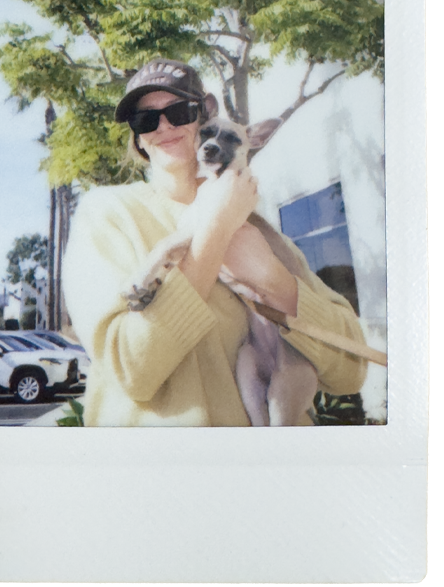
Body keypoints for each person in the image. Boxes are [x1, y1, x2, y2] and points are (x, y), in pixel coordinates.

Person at [63, 58, 367, 427]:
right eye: (146, 120)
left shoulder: (258, 228)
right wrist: (217, 230)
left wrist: (274, 280)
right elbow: (132, 370)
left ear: (202, 117)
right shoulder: (106, 213)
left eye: (179, 112)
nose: (164, 126)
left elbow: (353, 369)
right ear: (138, 137)